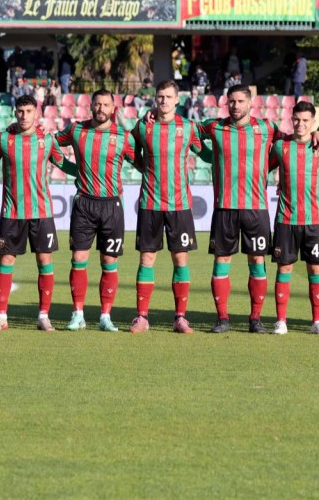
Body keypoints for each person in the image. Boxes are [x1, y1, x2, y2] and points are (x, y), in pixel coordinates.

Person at [194, 85, 280, 334]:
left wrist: (316, 136)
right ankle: (222, 318)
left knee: (257, 260)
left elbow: (292, 143)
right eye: (231, 101)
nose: (235, 106)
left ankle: (255, 319)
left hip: (256, 208)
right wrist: (208, 155)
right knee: (222, 260)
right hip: (225, 208)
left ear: (250, 103)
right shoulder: (215, 127)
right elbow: (187, 133)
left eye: (240, 101)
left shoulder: (266, 128)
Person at [0, 94, 68, 331]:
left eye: (29, 111)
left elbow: (63, 164)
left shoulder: (47, 140)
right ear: (15, 113)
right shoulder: (3, 139)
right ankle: (1, 316)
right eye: (20, 111)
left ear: (36, 113)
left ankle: (43, 316)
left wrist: (87, 171)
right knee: (6, 260)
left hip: (41, 212)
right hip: (12, 212)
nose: (24, 116)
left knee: (45, 260)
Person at [56, 89, 138, 332]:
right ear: (90, 106)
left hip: (112, 205)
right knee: (78, 259)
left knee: (109, 262)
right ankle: (78, 314)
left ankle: (105, 316)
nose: (101, 108)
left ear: (113, 108)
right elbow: (49, 146)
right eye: (97, 104)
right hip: (84, 203)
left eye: (106, 105)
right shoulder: (76, 130)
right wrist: (73, 170)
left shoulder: (123, 136)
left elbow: (142, 162)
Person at [129, 80, 203, 334]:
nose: (164, 101)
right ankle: (142, 317)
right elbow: (130, 150)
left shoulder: (188, 126)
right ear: (155, 99)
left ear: (177, 100)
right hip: (150, 203)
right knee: (146, 258)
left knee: (180, 259)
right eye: (160, 96)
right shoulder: (143, 126)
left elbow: (205, 151)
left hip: (179, 205)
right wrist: (144, 168)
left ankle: (180, 318)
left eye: (168, 97)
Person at [268, 101, 319, 335]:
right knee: (284, 269)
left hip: (315, 220)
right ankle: (281, 320)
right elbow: (264, 167)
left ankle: (316, 321)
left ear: (312, 122)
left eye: (306, 121)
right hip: (286, 219)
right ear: (291, 119)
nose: (300, 124)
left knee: (315, 271)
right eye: (297, 119)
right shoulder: (280, 146)